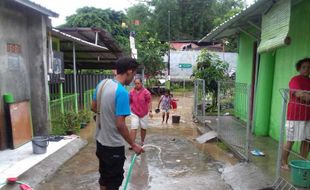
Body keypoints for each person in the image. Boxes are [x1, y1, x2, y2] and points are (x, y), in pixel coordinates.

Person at [91, 57, 144, 190]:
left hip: (100, 141)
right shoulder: (121, 93)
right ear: (129, 71)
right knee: (114, 182)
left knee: (104, 177)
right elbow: (120, 125)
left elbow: (93, 107)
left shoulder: (102, 84)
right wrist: (133, 144)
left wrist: (105, 117)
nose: (133, 78)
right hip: (113, 146)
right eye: (134, 74)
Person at [281, 58, 310, 170]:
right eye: (304, 67)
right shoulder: (295, 80)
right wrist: (305, 96)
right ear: (299, 68)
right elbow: (300, 95)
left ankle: (302, 163)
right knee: (290, 139)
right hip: (295, 116)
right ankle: (283, 162)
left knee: (307, 140)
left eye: (309, 67)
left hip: (308, 116)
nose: (307, 69)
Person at [129, 78, 152, 148]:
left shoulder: (146, 92)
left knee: (143, 128)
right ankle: (132, 144)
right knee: (133, 127)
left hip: (144, 113)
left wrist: (150, 111)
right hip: (134, 112)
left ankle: (142, 142)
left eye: (138, 83)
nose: (137, 85)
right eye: (135, 83)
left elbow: (149, 102)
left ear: (141, 83)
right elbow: (129, 102)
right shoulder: (131, 92)